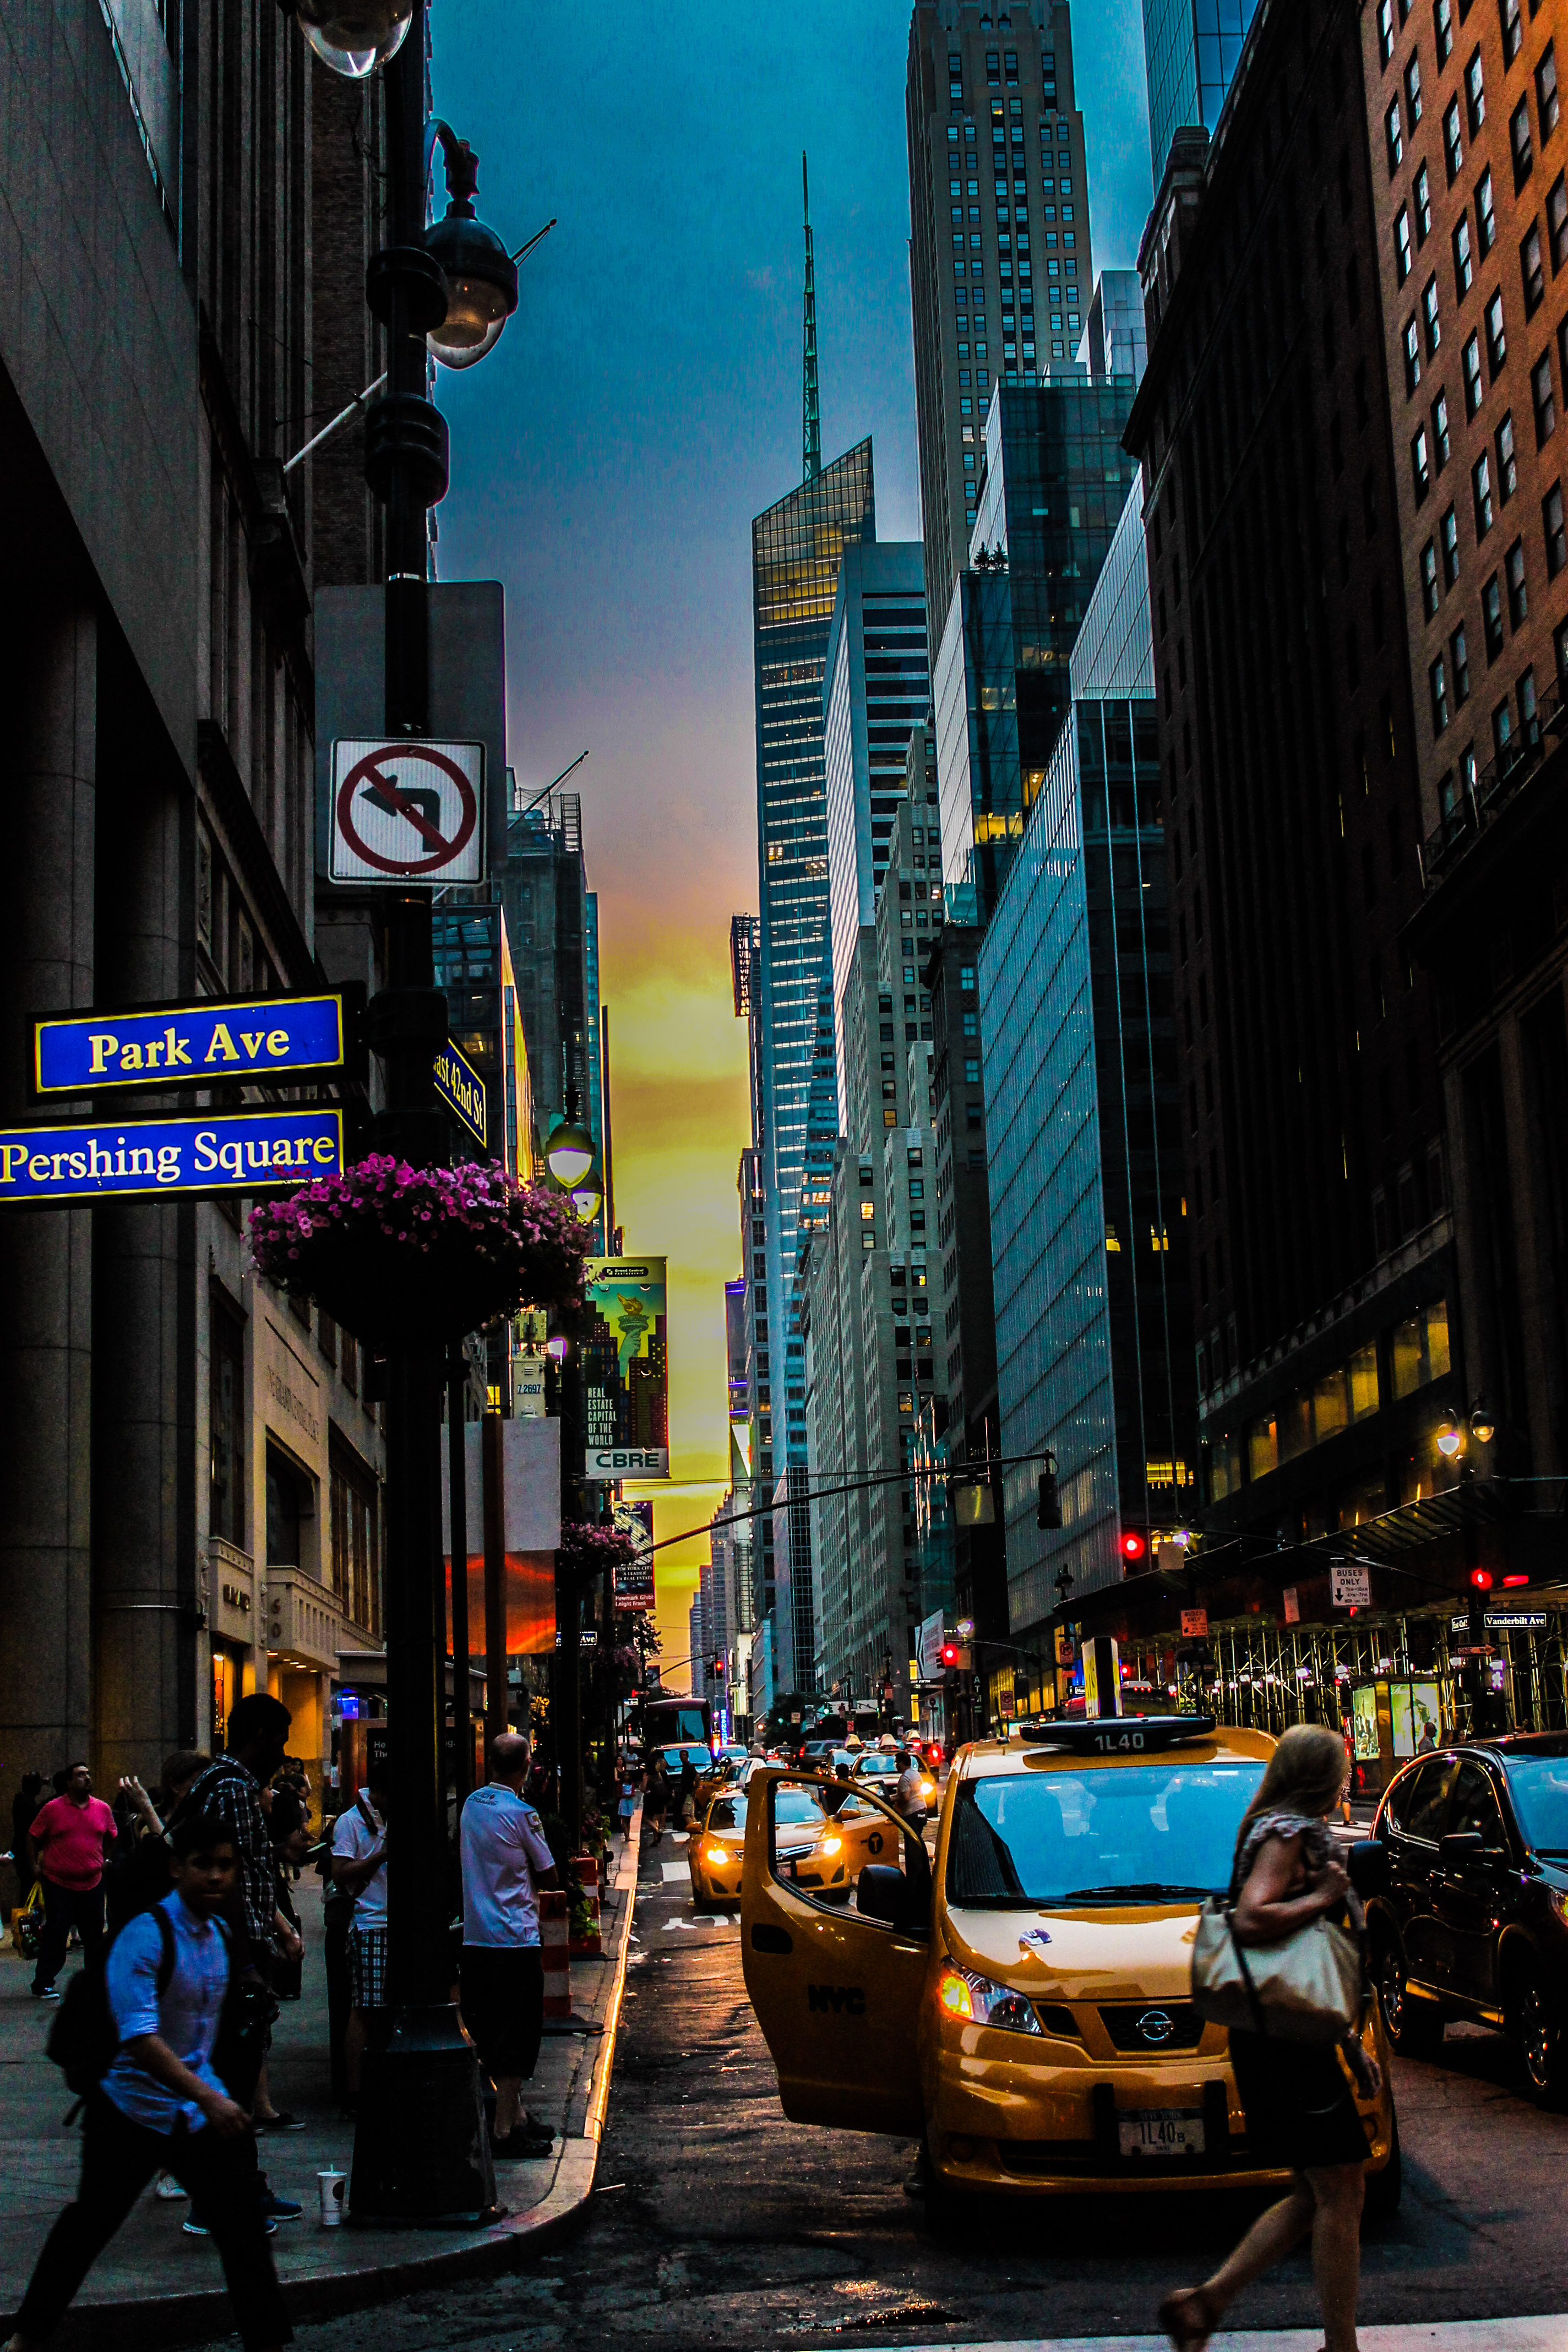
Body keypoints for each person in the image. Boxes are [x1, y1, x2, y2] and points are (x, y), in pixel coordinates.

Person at [3, 1815, 292, 2352]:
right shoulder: (144, 1936)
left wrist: (213, 2093)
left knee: (243, 2231)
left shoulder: (218, 1936)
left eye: (225, 1866)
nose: (215, 1876)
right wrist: (211, 2097)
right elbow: (140, 2038)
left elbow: (204, 2032)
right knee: (90, 2224)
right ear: (178, 1868)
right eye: (203, 1864)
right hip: (130, 2111)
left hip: (193, 2113)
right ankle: (26, 2337)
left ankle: (268, 2341)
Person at [1158, 1724, 1380, 2352]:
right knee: (1341, 2185)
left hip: (1287, 2033)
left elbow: (1306, 1970)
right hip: (1285, 2045)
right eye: (1339, 1770)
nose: (1345, 1780)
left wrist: (1349, 2043)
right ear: (1318, 1777)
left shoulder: (1279, 1828)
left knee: (1319, 2190)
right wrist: (1325, 1895)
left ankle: (1204, 2305)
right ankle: (1340, 2346)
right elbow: (1254, 1918)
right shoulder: (1286, 1834)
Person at [176, 1696, 302, 2228]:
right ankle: (218, 2199)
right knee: (232, 2074)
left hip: (234, 1947)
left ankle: (244, 2186)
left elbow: (248, 1874)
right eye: (280, 1740)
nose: (283, 1752)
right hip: (231, 1955)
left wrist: (280, 1927)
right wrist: (246, 1963)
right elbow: (226, 1880)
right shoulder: (230, 1788)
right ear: (258, 1735)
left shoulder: (223, 1784)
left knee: (238, 2076)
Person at [459, 1734, 560, 2160]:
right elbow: (549, 1873)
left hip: (476, 1936)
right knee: (517, 2036)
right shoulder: (523, 1814)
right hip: (516, 1938)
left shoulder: (470, 1806)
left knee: (491, 2029)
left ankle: (515, 2115)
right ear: (526, 1767)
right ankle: (503, 2131)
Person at [27, 1763, 118, 2002]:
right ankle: (44, 1983)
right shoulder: (53, 1809)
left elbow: (112, 1835)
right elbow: (33, 1836)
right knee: (56, 1934)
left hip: (93, 1882)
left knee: (94, 1936)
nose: (87, 1778)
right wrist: (34, 1865)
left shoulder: (102, 1809)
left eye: (88, 1774)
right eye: (80, 1775)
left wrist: (105, 1860)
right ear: (68, 1782)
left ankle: (95, 1982)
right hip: (59, 1883)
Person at [330, 1751, 390, 2110]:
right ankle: (355, 2090)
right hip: (370, 1922)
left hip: (392, 1921)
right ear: (379, 1792)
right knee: (366, 2008)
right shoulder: (351, 1822)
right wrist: (380, 1856)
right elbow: (339, 1873)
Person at [10, 1772, 43, 1906]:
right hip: (24, 1852)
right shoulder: (27, 1804)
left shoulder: (21, 1800)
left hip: (19, 1850)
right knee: (28, 1887)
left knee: (27, 1886)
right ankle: (25, 1916)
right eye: (39, 1783)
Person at [894, 1749, 927, 1832]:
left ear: (901, 1763)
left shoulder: (905, 1778)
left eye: (896, 1763)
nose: (896, 1766)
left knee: (911, 1838)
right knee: (917, 1836)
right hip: (922, 1809)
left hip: (912, 1814)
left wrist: (892, 1799)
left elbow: (905, 1798)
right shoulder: (915, 1774)